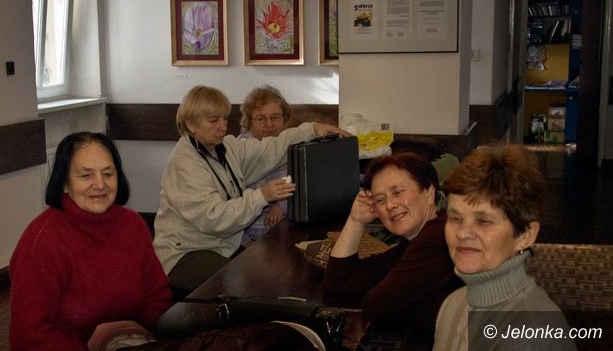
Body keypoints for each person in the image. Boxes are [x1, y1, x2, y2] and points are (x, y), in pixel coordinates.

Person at [153, 85, 346, 293]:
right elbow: (213, 219)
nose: (223, 127)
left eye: (225, 119)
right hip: (187, 252)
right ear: (191, 124)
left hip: (222, 245)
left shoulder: (225, 147)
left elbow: (269, 150)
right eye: (214, 120)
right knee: (244, 285)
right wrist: (263, 196)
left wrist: (312, 129)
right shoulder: (185, 163)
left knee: (268, 275)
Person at [9, 132, 172, 351]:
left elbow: (157, 297)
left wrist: (137, 339)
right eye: (86, 175)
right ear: (64, 182)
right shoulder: (43, 240)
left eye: (108, 173)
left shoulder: (133, 225)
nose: (100, 184)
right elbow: (30, 333)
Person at [434, 144, 575, 351]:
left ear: (526, 235)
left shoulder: (531, 331)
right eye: (455, 218)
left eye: (483, 221)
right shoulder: (453, 304)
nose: (463, 233)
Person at [322, 152, 463, 345]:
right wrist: (356, 220)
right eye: (380, 200)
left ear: (429, 192)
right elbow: (337, 289)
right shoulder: (413, 243)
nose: (389, 205)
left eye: (398, 192)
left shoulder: (438, 236)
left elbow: (377, 306)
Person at [238, 85, 292, 244]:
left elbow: (301, 185)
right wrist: (245, 246)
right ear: (249, 121)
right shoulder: (240, 150)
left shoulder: (289, 143)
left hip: (285, 231)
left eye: (275, 117)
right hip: (248, 238)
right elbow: (232, 206)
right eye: (261, 119)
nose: (269, 124)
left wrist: (282, 206)